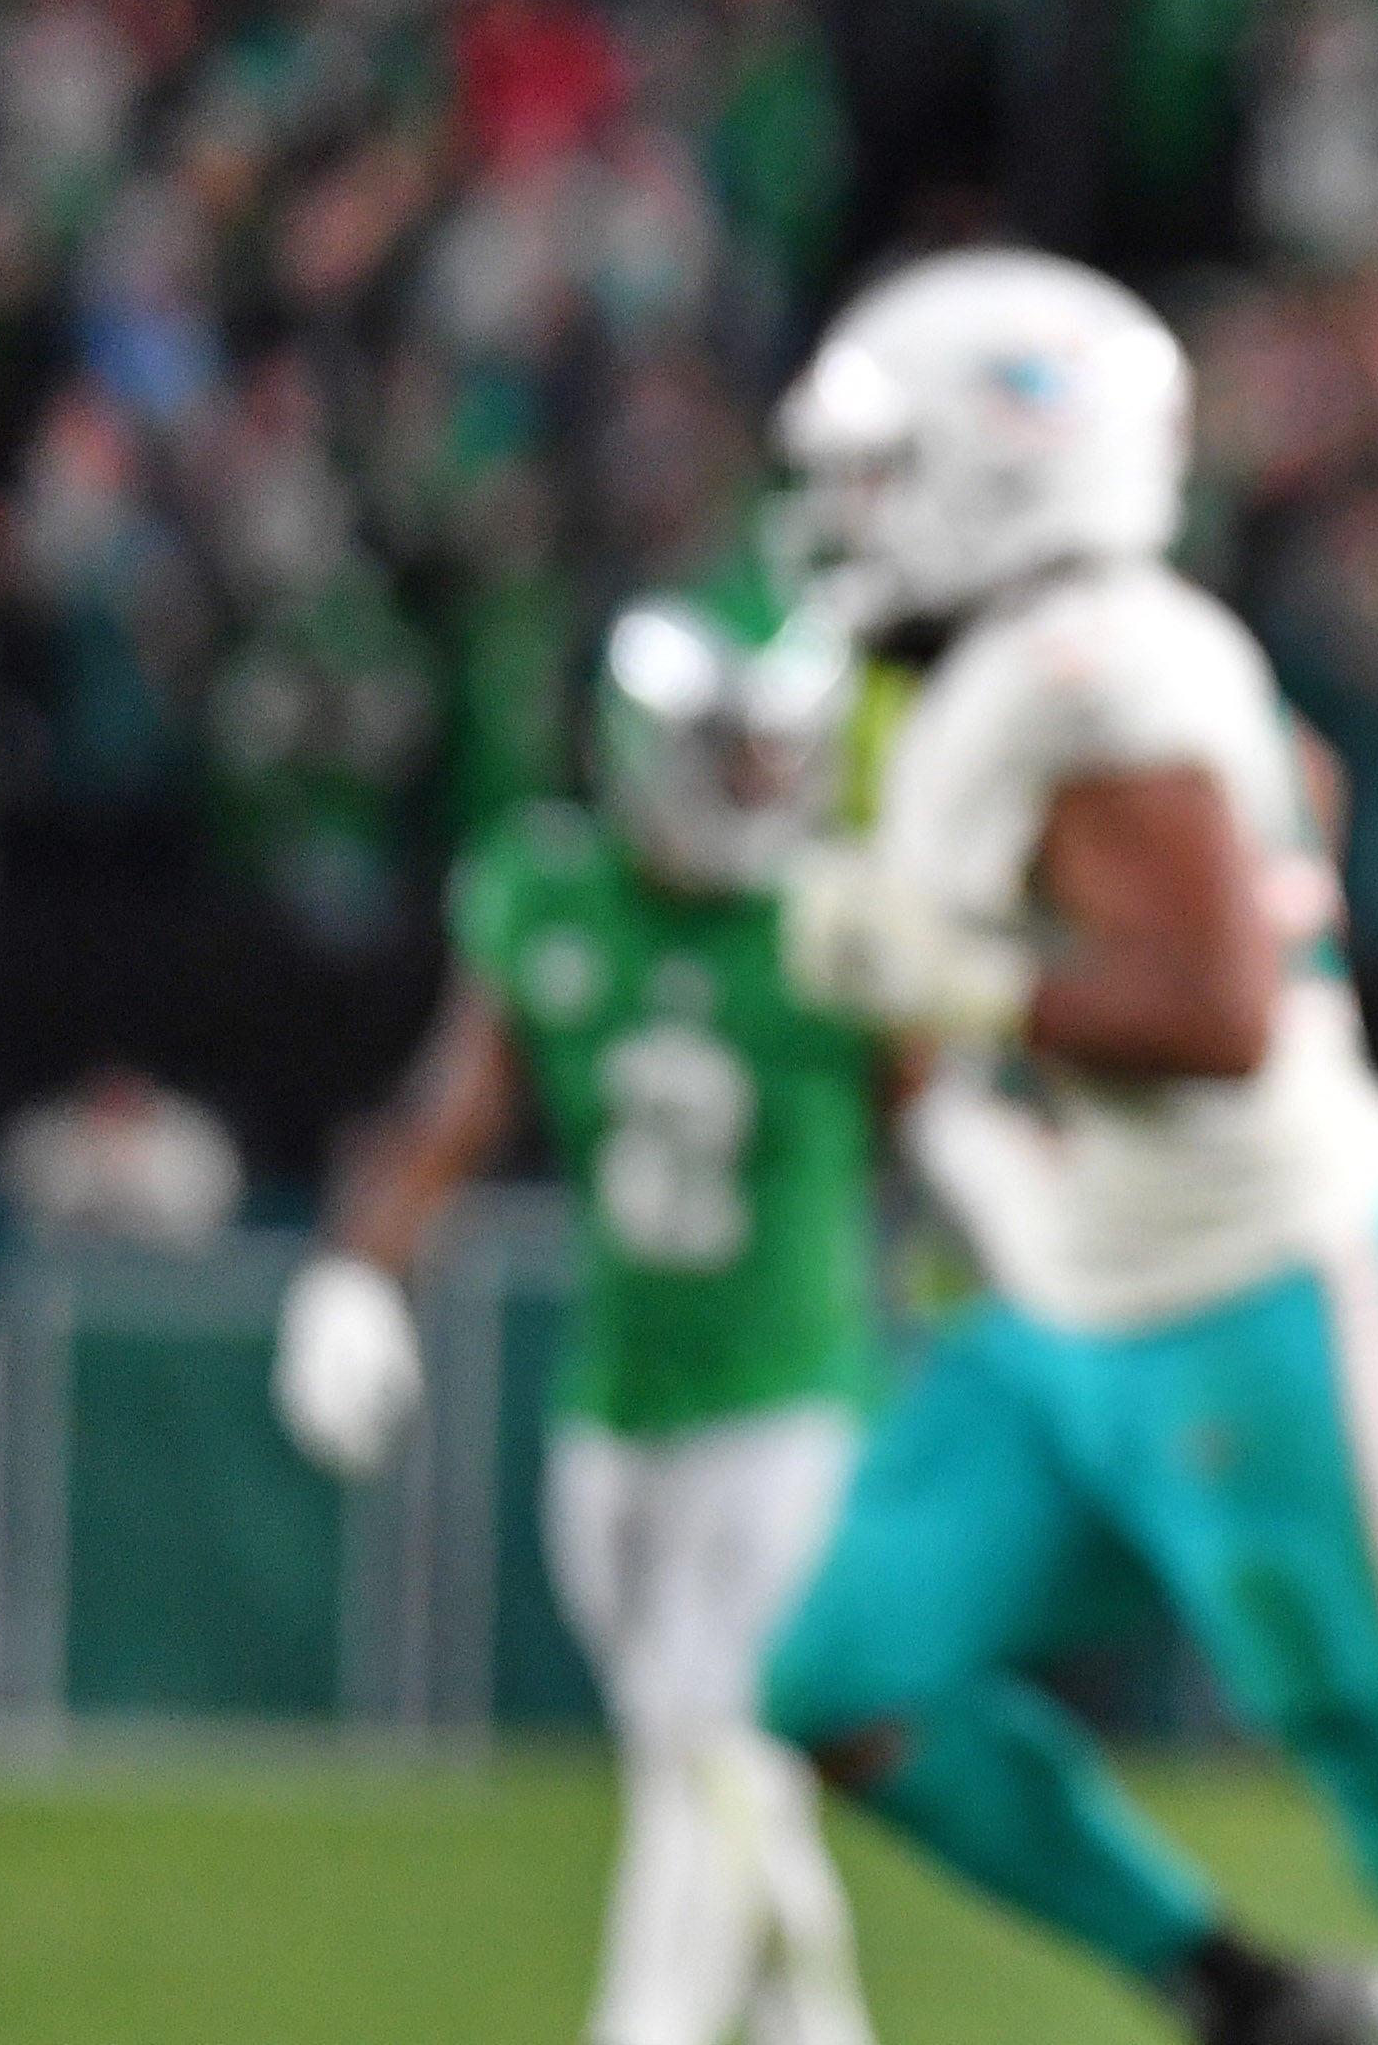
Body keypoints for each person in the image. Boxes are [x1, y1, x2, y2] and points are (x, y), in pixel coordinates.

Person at [754, 249, 1378, 2045]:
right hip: (1069, 1302)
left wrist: (954, 977)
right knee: (849, 1679)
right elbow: (1299, 796)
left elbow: (1218, 1015)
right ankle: (1252, 2000)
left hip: (1271, 1300)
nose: (847, 517)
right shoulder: (1066, 656)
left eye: (882, 475)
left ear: (1002, 472)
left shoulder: (1088, 669)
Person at [273, 592, 886, 2045]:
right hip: (614, 1410)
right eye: (734, 754)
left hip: (790, 1400)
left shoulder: (842, 922)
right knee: (710, 1772)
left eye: (779, 753)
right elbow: (447, 1115)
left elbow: (958, 1126)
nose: (763, 785)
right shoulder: (550, 894)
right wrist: (358, 1273)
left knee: (711, 1751)